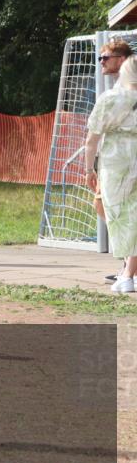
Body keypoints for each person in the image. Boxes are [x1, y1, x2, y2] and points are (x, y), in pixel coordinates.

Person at [84, 56, 137, 294]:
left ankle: (127, 274)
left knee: (119, 216)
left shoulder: (110, 99)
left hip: (116, 160)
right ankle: (130, 272)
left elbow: (91, 139)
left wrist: (88, 169)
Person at [94, 39, 132, 283]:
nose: (101, 63)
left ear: (122, 59)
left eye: (105, 57)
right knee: (101, 205)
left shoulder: (128, 87)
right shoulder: (113, 91)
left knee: (125, 212)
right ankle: (129, 260)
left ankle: (130, 266)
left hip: (126, 159)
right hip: (111, 158)